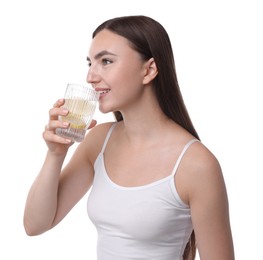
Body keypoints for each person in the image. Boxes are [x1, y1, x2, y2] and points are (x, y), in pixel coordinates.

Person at [23, 15, 235, 260]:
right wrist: (55, 154)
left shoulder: (196, 165)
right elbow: (35, 225)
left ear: (149, 69)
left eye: (106, 61)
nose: (90, 76)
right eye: (90, 63)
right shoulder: (99, 141)